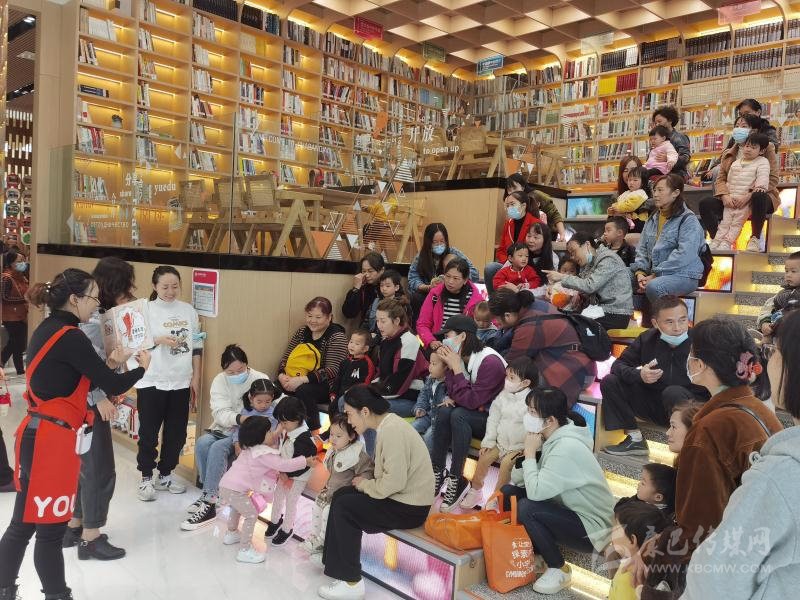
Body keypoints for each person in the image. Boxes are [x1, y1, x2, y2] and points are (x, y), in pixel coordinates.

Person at [0, 269, 150, 600]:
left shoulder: (48, 328)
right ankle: (58, 595)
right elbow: (112, 385)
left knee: (22, 525)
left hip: (36, 434)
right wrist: (142, 367)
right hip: (52, 442)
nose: (96, 305)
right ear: (74, 299)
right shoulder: (71, 336)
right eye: (93, 297)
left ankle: (5, 590)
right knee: (49, 533)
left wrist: (111, 362)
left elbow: (79, 378)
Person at [631, 318, 782, 597]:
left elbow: (699, 525)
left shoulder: (708, 429)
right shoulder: (760, 410)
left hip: (721, 567)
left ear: (699, 364)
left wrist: (658, 554)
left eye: (691, 353)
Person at [683, 311, 800, 599]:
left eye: (775, 351)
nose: (769, 359)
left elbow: (703, 535)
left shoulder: (776, 475)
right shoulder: (760, 409)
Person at [318, 384, 434, 600]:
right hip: (400, 499)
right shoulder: (388, 426)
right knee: (342, 495)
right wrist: (365, 484)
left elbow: (394, 482)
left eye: (350, 414)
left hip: (409, 507)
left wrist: (365, 485)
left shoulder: (392, 431)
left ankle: (351, 582)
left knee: (345, 507)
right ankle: (335, 566)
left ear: (364, 411)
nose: (349, 421)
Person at [501, 387, 615, 595]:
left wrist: (529, 454)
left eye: (532, 412)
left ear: (550, 420)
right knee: (509, 493)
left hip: (593, 527)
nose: (527, 416)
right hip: (568, 508)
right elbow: (520, 480)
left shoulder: (565, 448)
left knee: (527, 508)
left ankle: (558, 568)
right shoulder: (550, 437)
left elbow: (535, 492)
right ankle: (537, 555)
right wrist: (530, 454)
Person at [62, 257, 136, 560]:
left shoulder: (93, 318)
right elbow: (87, 368)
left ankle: (75, 525)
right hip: (90, 404)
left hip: (80, 403)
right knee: (99, 469)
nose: (130, 292)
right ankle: (91, 537)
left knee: (87, 467)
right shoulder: (93, 323)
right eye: (127, 285)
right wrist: (99, 396)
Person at [602, 296, 708, 456]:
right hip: (655, 404)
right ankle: (635, 438)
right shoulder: (647, 338)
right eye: (669, 322)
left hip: (689, 406)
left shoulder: (701, 341)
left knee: (673, 392)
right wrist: (639, 374)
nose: (678, 328)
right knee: (610, 381)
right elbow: (618, 365)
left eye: (682, 320)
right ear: (655, 323)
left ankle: (688, 445)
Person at [181, 345, 269, 529]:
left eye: (240, 370)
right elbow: (220, 412)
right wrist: (239, 418)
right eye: (231, 372)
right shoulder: (219, 381)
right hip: (224, 427)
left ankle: (210, 503)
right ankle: (209, 494)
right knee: (202, 443)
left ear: (247, 364)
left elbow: (269, 406)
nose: (236, 374)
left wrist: (245, 423)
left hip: (246, 431)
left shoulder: (260, 379)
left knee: (217, 447)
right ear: (224, 369)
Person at [135, 266, 203, 502]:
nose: (170, 291)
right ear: (154, 286)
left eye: (175, 286)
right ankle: (146, 477)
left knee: (177, 433)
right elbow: (135, 341)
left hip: (181, 380)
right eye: (165, 287)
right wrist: (158, 340)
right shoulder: (145, 309)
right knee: (148, 432)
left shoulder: (188, 311)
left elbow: (196, 346)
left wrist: (195, 376)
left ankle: (165, 475)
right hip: (151, 379)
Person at [430, 315, 506, 511]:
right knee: (445, 411)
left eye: (447, 335)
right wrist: (452, 370)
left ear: (462, 336)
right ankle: (438, 472)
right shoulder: (460, 357)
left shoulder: (490, 362)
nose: (444, 341)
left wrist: (455, 368)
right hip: (478, 413)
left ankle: (457, 478)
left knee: (459, 415)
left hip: (499, 422)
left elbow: (471, 401)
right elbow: (455, 392)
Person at [217, 416, 317, 564]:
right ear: (260, 437)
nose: (273, 433)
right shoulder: (263, 454)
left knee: (237, 509)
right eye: (269, 431)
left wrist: (278, 430)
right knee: (251, 515)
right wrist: (305, 461)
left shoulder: (251, 449)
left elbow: (269, 439)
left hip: (226, 485)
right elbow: (283, 465)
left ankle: (231, 533)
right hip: (236, 490)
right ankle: (244, 550)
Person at [488, 289, 596, 406]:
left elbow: (510, 364)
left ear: (507, 315)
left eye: (497, 319)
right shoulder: (534, 304)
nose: (497, 324)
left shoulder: (529, 327)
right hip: (583, 365)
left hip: (576, 372)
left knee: (514, 379)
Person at [460, 357, 537, 510]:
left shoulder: (532, 401)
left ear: (525, 383)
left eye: (512, 378)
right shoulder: (503, 395)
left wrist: (528, 449)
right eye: (507, 376)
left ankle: (496, 496)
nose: (507, 380)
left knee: (506, 465)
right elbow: (493, 419)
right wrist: (488, 442)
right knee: (484, 457)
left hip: (518, 447)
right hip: (500, 443)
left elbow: (534, 428)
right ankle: (476, 490)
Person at [700, 113, 781, 252]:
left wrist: (749, 196)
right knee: (705, 203)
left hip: (760, 196)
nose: (738, 129)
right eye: (737, 126)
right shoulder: (729, 152)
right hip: (733, 196)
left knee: (759, 195)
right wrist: (724, 196)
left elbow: (773, 179)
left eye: (744, 126)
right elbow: (721, 179)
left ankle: (755, 238)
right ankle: (718, 240)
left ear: (754, 130)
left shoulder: (766, 148)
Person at [299, 414, 373, 557]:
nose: (332, 439)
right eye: (331, 434)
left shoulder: (357, 454)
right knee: (316, 506)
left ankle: (323, 542)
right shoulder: (334, 450)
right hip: (329, 490)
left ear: (351, 436)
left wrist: (363, 479)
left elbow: (368, 470)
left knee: (327, 512)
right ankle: (314, 537)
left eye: (338, 436)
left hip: (342, 496)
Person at [629, 174, 706, 302]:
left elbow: (684, 254)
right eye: (654, 190)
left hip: (684, 274)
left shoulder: (688, 220)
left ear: (675, 193)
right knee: (618, 276)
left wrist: (656, 275)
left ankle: (659, 315)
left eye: (660, 190)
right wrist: (640, 273)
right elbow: (642, 249)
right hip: (653, 273)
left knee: (655, 286)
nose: (655, 194)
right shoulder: (652, 218)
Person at [278, 296, 348, 433]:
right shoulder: (302, 332)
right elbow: (286, 358)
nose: (313, 321)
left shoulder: (337, 336)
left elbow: (333, 370)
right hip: (296, 377)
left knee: (303, 390)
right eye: (309, 316)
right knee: (275, 387)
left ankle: (314, 431)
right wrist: (282, 375)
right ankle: (283, 429)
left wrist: (302, 380)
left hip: (326, 384)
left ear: (329, 317)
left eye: (318, 317)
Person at [544, 232, 633, 331]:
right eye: (571, 254)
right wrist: (553, 287)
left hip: (615, 313)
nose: (573, 257)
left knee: (571, 324)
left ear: (587, 244)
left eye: (574, 252)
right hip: (599, 310)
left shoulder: (608, 258)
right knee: (563, 318)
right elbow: (580, 281)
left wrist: (561, 277)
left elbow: (589, 285)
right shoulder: (592, 261)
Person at [264, 396, 318, 546]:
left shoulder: (304, 439)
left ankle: (287, 529)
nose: (282, 425)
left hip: (296, 478)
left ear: (297, 418)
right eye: (281, 422)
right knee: (278, 497)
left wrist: (288, 474)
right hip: (284, 472)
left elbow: (306, 464)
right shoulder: (290, 430)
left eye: (285, 422)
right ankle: (275, 521)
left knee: (291, 502)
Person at [710, 132, 771, 251]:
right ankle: (716, 241)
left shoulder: (762, 162)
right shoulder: (736, 163)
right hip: (731, 199)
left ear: (762, 151)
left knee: (737, 223)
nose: (748, 149)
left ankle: (727, 242)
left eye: (753, 147)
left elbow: (763, 176)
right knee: (725, 222)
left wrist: (760, 187)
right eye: (747, 146)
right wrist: (726, 196)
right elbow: (728, 181)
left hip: (745, 201)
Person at [407, 223, 478, 321]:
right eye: (435, 242)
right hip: (430, 293)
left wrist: (454, 279)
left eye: (442, 241)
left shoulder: (454, 253)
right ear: (428, 242)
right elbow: (412, 277)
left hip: (453, 293)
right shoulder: (421, 256)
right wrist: (427, 287)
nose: (439, 245)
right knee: (416, 298)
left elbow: (474, 273)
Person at [371, 298, 428, 415]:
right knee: (346, 400)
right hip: (390, 394)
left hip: (411, 398)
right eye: (377, 321)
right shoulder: (385, 341)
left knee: (369, 406)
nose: (379, 325)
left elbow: (400, 381)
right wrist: (368, 390)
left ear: (396, 320)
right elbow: (380, 374)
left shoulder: (409, 341)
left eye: (383, 321)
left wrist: (372, 395)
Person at [483, 190, 543, 294]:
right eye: (507, 205)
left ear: (523, 206)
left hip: (528, 265)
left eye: (512, 204)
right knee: (490, 268)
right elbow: (501, 249)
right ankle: (495, 300)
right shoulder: (508, 223)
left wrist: (519, 261)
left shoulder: (536, 223)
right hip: (509, 264)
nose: (509, 208)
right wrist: (510, 262)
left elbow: (538, 250)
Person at [609, 500, 671, 600]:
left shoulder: (628, 579)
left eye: (616, 529)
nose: (611, 531)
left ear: (632, 540)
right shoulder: (651, 569)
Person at [417, 258, 483, 351]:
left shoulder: (476, 299)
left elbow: (485, 324)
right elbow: (422, 324)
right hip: (438, 343)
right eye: (447, 276)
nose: (450, 281)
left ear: (465, 280)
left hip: (464, 345)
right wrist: (431, 341)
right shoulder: (435, 294)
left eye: (456, 278)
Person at [505, 173, 567, 240]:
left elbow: (555, 215)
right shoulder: (508, 200)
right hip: (524, 235)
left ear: (523, 187)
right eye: (509, 190)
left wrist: (562, 235)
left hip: (544, 235)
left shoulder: (536, 195)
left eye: (515, 188)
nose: (512, 192)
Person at [328, 329, 374, 418]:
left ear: (365, 348)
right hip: (340, 395)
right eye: (351, 342)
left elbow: (366, 383)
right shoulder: (345, 362)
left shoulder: (367, 363)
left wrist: (352, 391)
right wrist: (333, 393)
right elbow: (338, 379)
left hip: (354, 397)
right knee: (332, 409)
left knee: (344, 415)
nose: (352, 345)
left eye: (357, 344)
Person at [757, 251, 800, 340]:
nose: (788, 275)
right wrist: (765, 323)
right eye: (786, 271)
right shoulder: (782, 294)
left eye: (793, 271)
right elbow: (768, 308)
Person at [411, 351, 448, 451]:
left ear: (446, 367)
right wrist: (420, 408)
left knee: (428, 437)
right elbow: (423, 395)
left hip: (440, 421)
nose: (430, 367)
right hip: (428, 415)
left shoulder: (449, 384)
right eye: (430, 363)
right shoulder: (430, 379)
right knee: (411, 429)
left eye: (434, 364)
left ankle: (430, 460)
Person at [1, 250, 28, 376]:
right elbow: (4, 298)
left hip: (21, 315)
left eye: (23, 260)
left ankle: (20, 370)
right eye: (20, 261)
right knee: (15, 342)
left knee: (18, 343)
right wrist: (24, 300)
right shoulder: (6, 278)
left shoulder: (21, 277)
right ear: (11, 263)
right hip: (10, 317)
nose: (23, 263)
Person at [342, 252, 385, 329]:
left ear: (382, 270)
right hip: (367, 329)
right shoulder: (363, 287)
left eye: (370, 271)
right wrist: (356, 288)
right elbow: (349, 313)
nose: (367, 275)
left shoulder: (389, 284)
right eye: (364, 271)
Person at [651, 106, 691, 180]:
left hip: (676, 175)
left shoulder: (679, 137)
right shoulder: (657, 139)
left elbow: (685, 157)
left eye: (659, 121)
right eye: (655, 123)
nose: (657, 125)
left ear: (670, 120)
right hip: (659, 173)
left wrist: (668, 159)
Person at [367, 269, 409, 339]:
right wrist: (366, 335)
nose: (384, 289)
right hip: (373, 335)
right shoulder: (376, 301)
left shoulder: (401, 304)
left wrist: (377, 337)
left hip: (392, 337)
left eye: (387, 286)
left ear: (396, 287)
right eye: (381, 285)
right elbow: (366, 321)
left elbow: (404, 326)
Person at [608, 165, 650, 233]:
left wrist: (617, 208)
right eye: (629, 180)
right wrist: (612, 210)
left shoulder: (640, 193)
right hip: (627, 220)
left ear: (643, 182)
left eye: (635, 180)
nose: (631, 182)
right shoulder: (627, 192)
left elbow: (630, 206)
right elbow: (619, 202)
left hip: (638, 222)